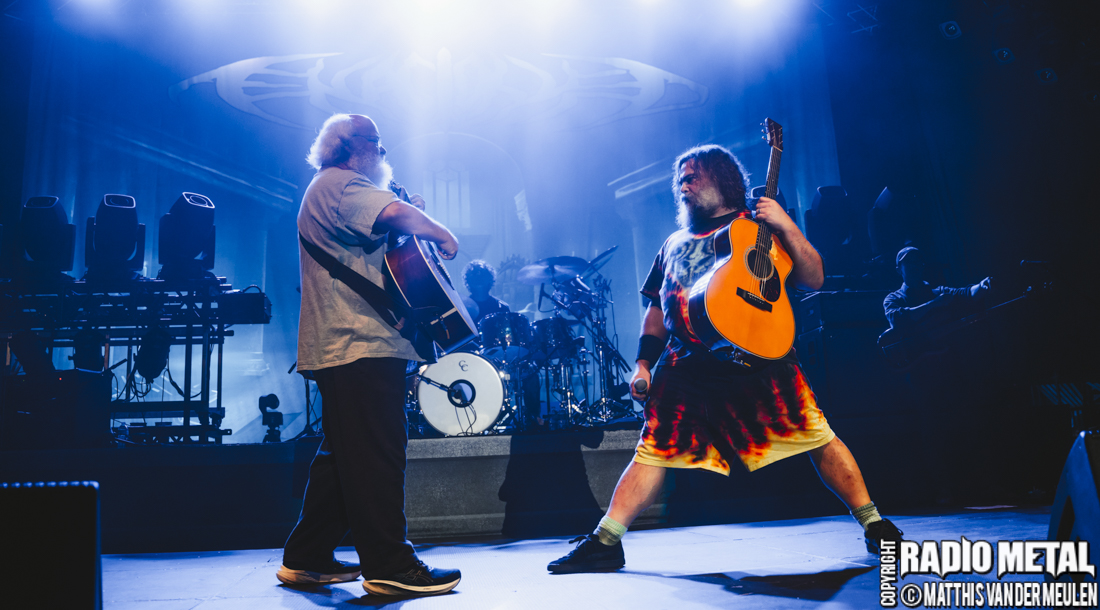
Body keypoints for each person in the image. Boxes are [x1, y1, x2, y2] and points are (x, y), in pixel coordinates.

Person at [548, 144, 903, 574]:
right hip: (687, 364)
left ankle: (874, 524)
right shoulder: (673, 243)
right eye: (681, 178)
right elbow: (657, 309)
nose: (684, 184)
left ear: (723, 179)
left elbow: (815, 277)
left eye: (693, 175)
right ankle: (606, 541)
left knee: (816, 435)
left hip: (761, 357)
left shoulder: (758, 229)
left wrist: (786, 225)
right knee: (653, 451)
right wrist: (643, 363)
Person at [277, 113, 461, 597]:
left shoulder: (332, 189)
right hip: (359, 342)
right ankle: (389, 565)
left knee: (345, 457)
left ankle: (307, 557)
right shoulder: (341, 182)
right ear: (346, 146)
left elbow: (384, 235)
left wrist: (404, 214)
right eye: (375, 143)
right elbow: (394, 216)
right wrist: (439, 231)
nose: (382, 152)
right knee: (378, 454)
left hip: (345, 344)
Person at [462, 259, 544, 429]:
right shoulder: (463, 308)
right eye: (475, 277)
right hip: (475, 361)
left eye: (482, 276)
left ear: (490, 280)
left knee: (531, 374)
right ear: (468, 282)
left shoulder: (501, 306)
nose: (479, 280)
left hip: (503, 359)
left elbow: (511, 339)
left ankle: (533, 419)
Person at [883, 246, 992, 335]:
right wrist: (933, 304)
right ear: (898, 270)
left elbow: (965, 294)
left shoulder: (939, 292)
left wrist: (982, 285)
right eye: (908, 262)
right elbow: (897, 321)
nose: (913, 265)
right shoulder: (893, 298)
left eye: (916, 261)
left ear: (922, 266)